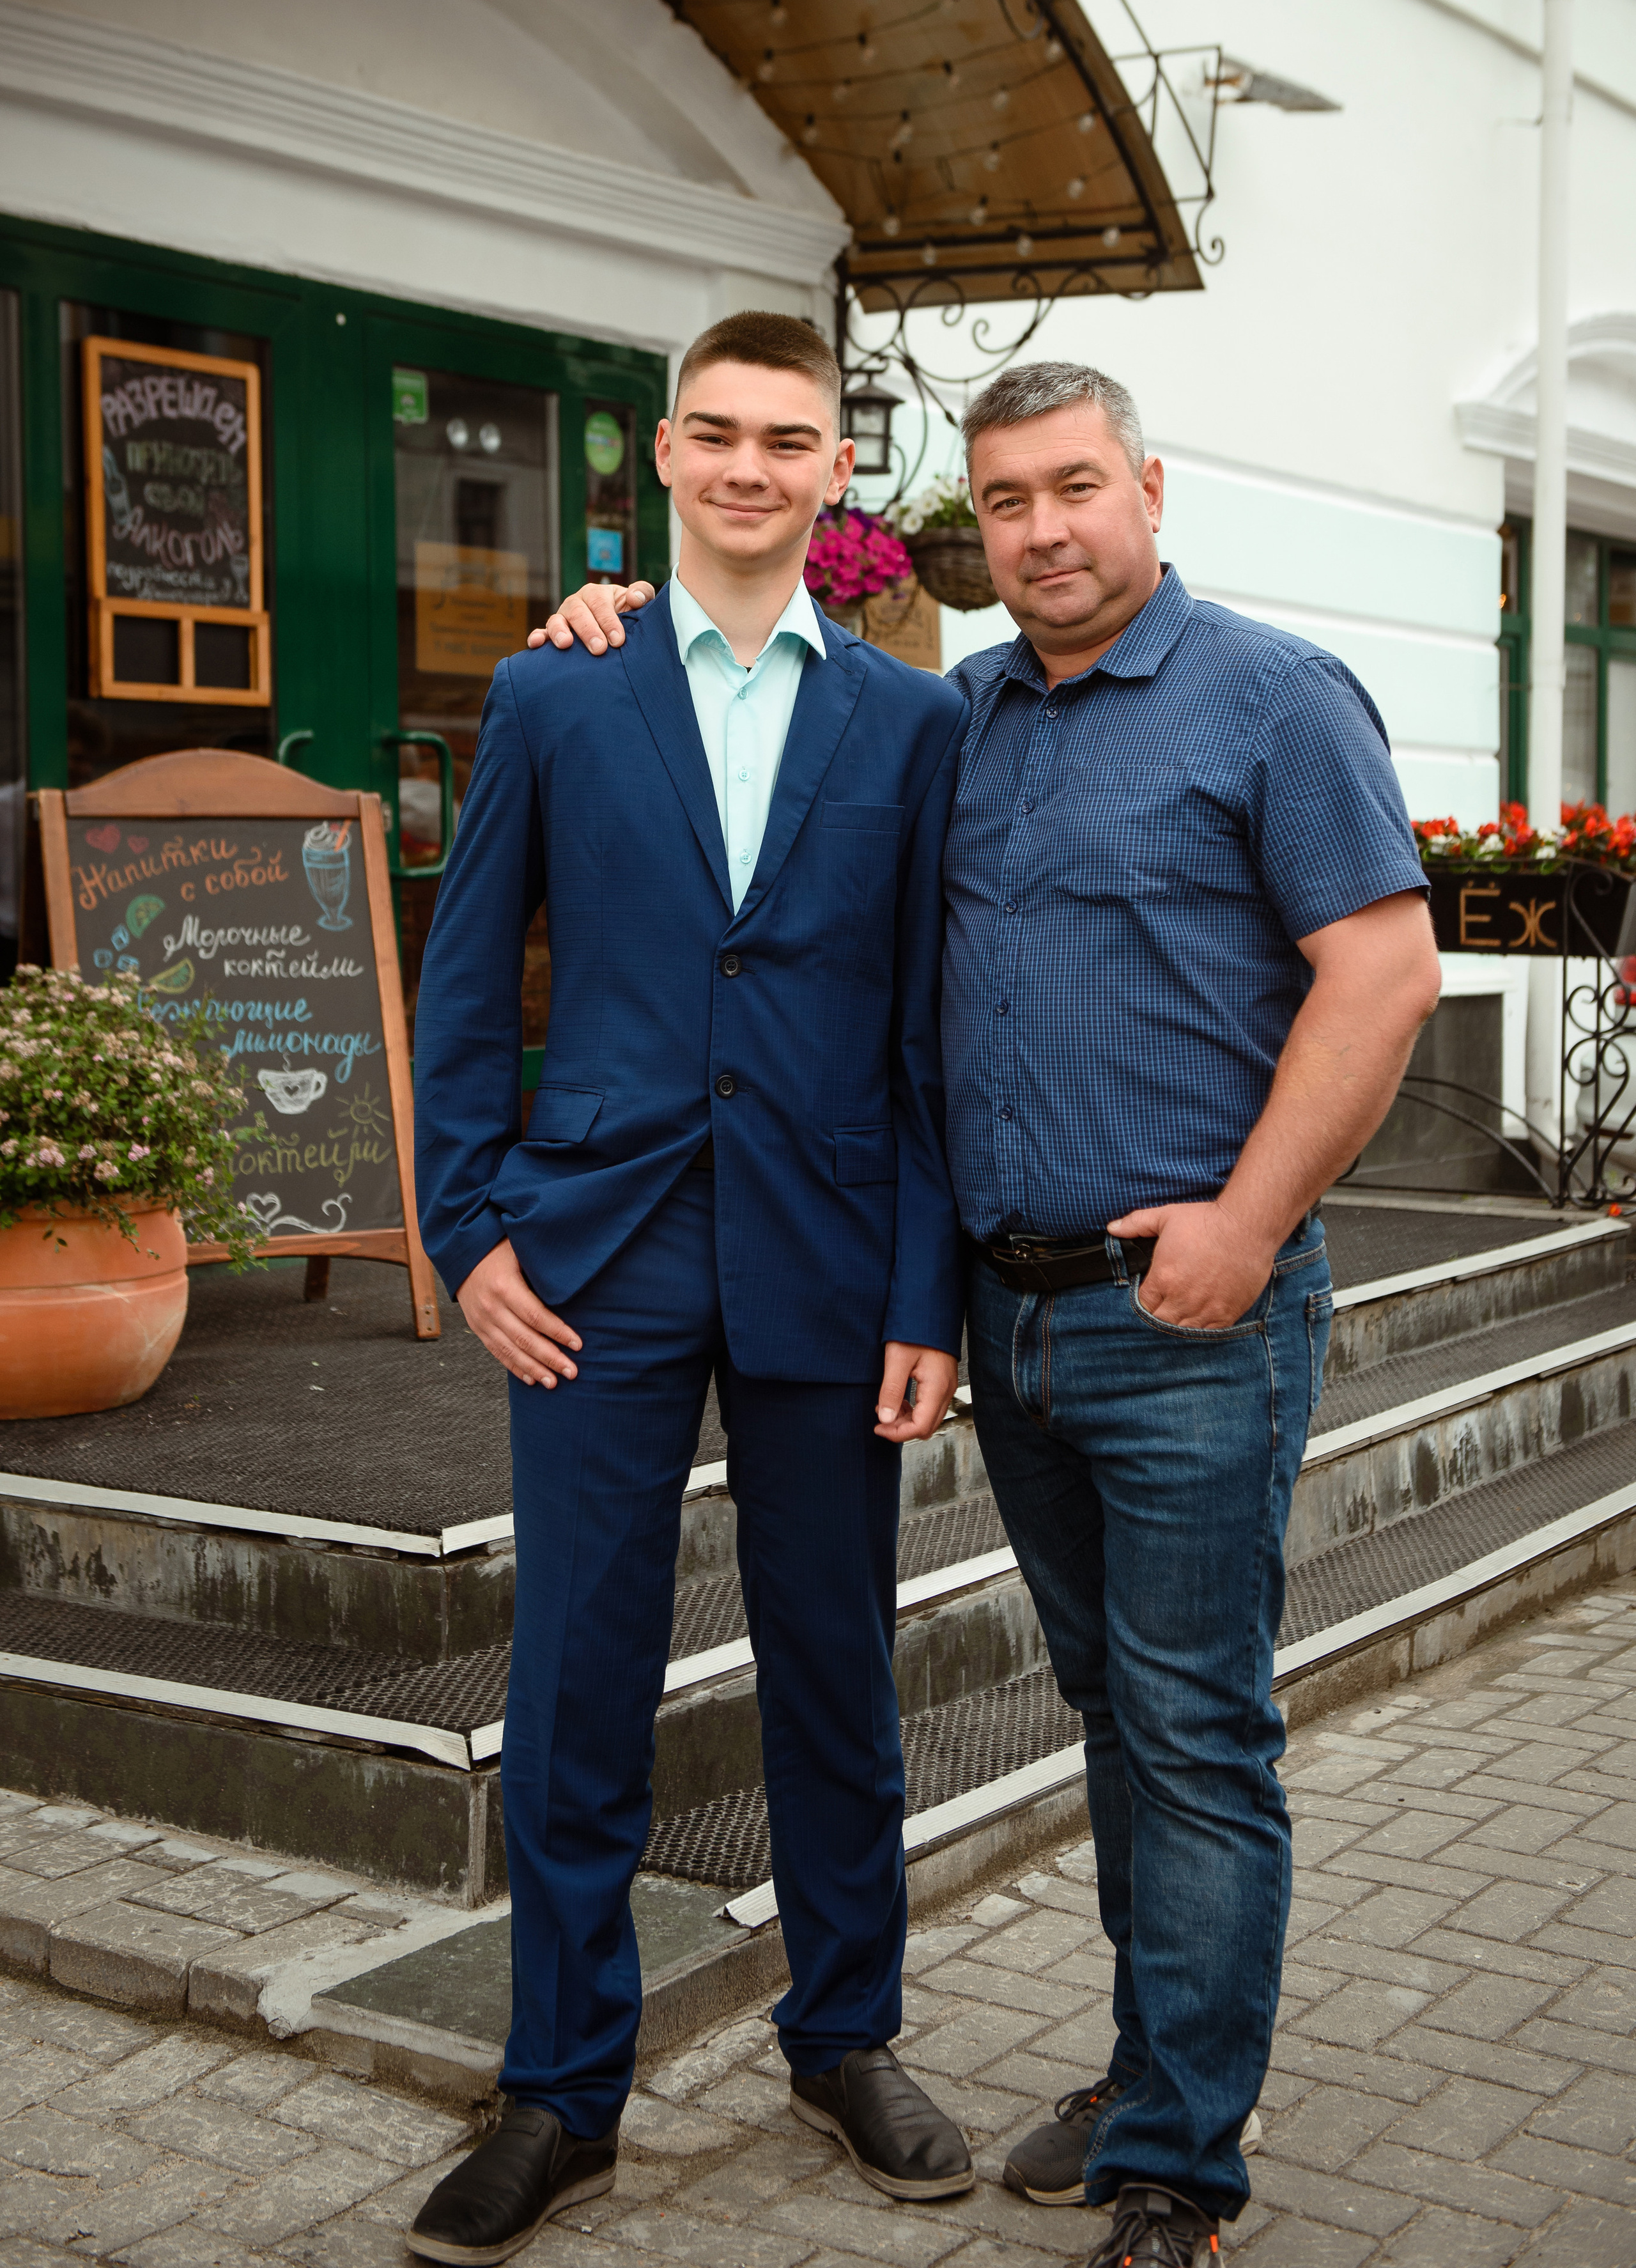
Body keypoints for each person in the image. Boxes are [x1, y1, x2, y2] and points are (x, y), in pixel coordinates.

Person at [534, 357, 1441, 2268]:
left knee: (1197, 1727)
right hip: (1011, 1316)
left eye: (1077, 486)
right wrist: (608, 619)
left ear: (1152, 489)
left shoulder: (1272, 698)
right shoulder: (962, 715)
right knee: (1119, 1714)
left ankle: (1181, 2164)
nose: (1043, 528)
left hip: (1190, 1308)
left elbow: (1384, 972)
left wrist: (1249, 1224)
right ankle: (1144, 2075)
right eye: (1009, 498)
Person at [408, 312, 976, 2267]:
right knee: (577, 1683)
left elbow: (924, 1039)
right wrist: (466, 1233)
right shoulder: (559, 693)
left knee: (839, 1668)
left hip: (830, 1266)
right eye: (717, 435)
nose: (751, 465)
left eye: (789, 438)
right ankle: (561, 2093)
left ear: (839, 473)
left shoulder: (918, 723)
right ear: (661, 455)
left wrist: (930, 1290)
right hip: (596, 1258)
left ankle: (845, 2035)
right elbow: (469, 982)